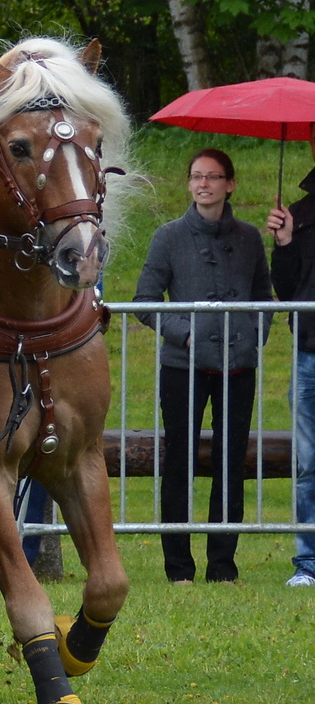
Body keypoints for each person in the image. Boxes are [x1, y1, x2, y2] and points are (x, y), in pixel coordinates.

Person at [132, 148, 272, 584]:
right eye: (196, 176)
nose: (203, 184)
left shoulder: (249, 238)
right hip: (183, 368)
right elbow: (144, 302)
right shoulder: (168, 237)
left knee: (231, 463)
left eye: (212, 177)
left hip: (238, 367)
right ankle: (179, 568)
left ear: (230, 184)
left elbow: (263, 296)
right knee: (180, 462)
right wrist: (187, 335)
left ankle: (222, 566)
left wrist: (254, 335)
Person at [266, 148, 315, 588]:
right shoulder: (299, 213)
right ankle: (309, 563)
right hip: (310, 354)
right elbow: (286, 288)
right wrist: (283, 243)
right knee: (308, 462)